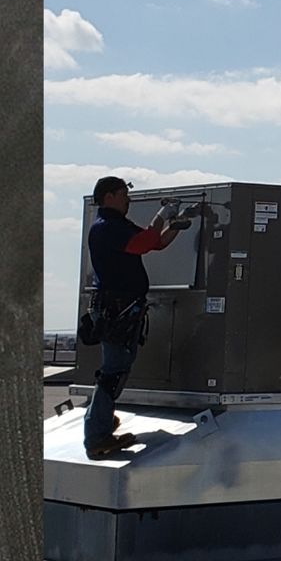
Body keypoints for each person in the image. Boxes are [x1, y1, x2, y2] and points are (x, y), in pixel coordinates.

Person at [81, 178, 193, 458]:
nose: (127, 199)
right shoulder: (107, 227)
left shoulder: (117, 224)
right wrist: (163, 215)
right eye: (123, 194)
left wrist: (176, 224)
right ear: (108, 197)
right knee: (113, 372)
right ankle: (97, 435)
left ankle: (102, 420)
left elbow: (155, 243)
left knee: (117, 368)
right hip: (116, 309)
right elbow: (143, 243)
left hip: (124, 308)